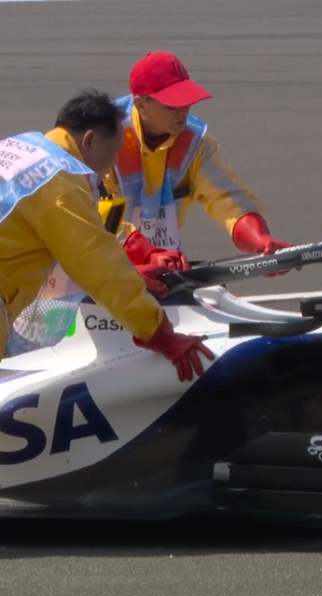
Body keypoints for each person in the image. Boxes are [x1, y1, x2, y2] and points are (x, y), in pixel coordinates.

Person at [0, 88, 215, 381]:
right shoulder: (59, 177)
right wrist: (159, 334)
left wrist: (138, 250)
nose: (112, 166)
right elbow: (97, 265)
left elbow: (78, 229)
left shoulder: (20, 148)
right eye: (114, 152)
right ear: (89, 141)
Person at [102, 51, 292, 275]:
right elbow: (97, 211)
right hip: (100, 270)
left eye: (186, 101)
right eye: (172, 105)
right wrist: (146, 254)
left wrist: (259, 241)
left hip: (162, 267)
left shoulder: (194, 145)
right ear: (141, 105)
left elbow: (227, 199)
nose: (183, 111)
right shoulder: (106, 138)